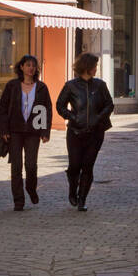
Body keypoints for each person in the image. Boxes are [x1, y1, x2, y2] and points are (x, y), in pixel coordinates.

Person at [56, 53, 114, 211]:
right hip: (75, 132)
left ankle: (82, 199)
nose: (96, 69)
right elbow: (60, 105)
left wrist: (99, 118)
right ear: (87, 67)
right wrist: (71, 117)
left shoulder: (100, 85)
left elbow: (110, 105)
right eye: (94, 66)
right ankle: (72, 190)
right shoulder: (71, 86)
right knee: (75, 165)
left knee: (88, 166)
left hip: (95, 133)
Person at [0, 55, 52, 211]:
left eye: (33, 65)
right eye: (28, 65)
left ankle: (31, 188)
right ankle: (18, 201)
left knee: (31, 165)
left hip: (34, 131)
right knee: (16, 167)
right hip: (14, 131)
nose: (31, 68)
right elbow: (3, 109)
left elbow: (47, 109)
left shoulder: (41, 87)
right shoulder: (12, 86)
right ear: (21, 67)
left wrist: (45, 131)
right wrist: (3, 130)